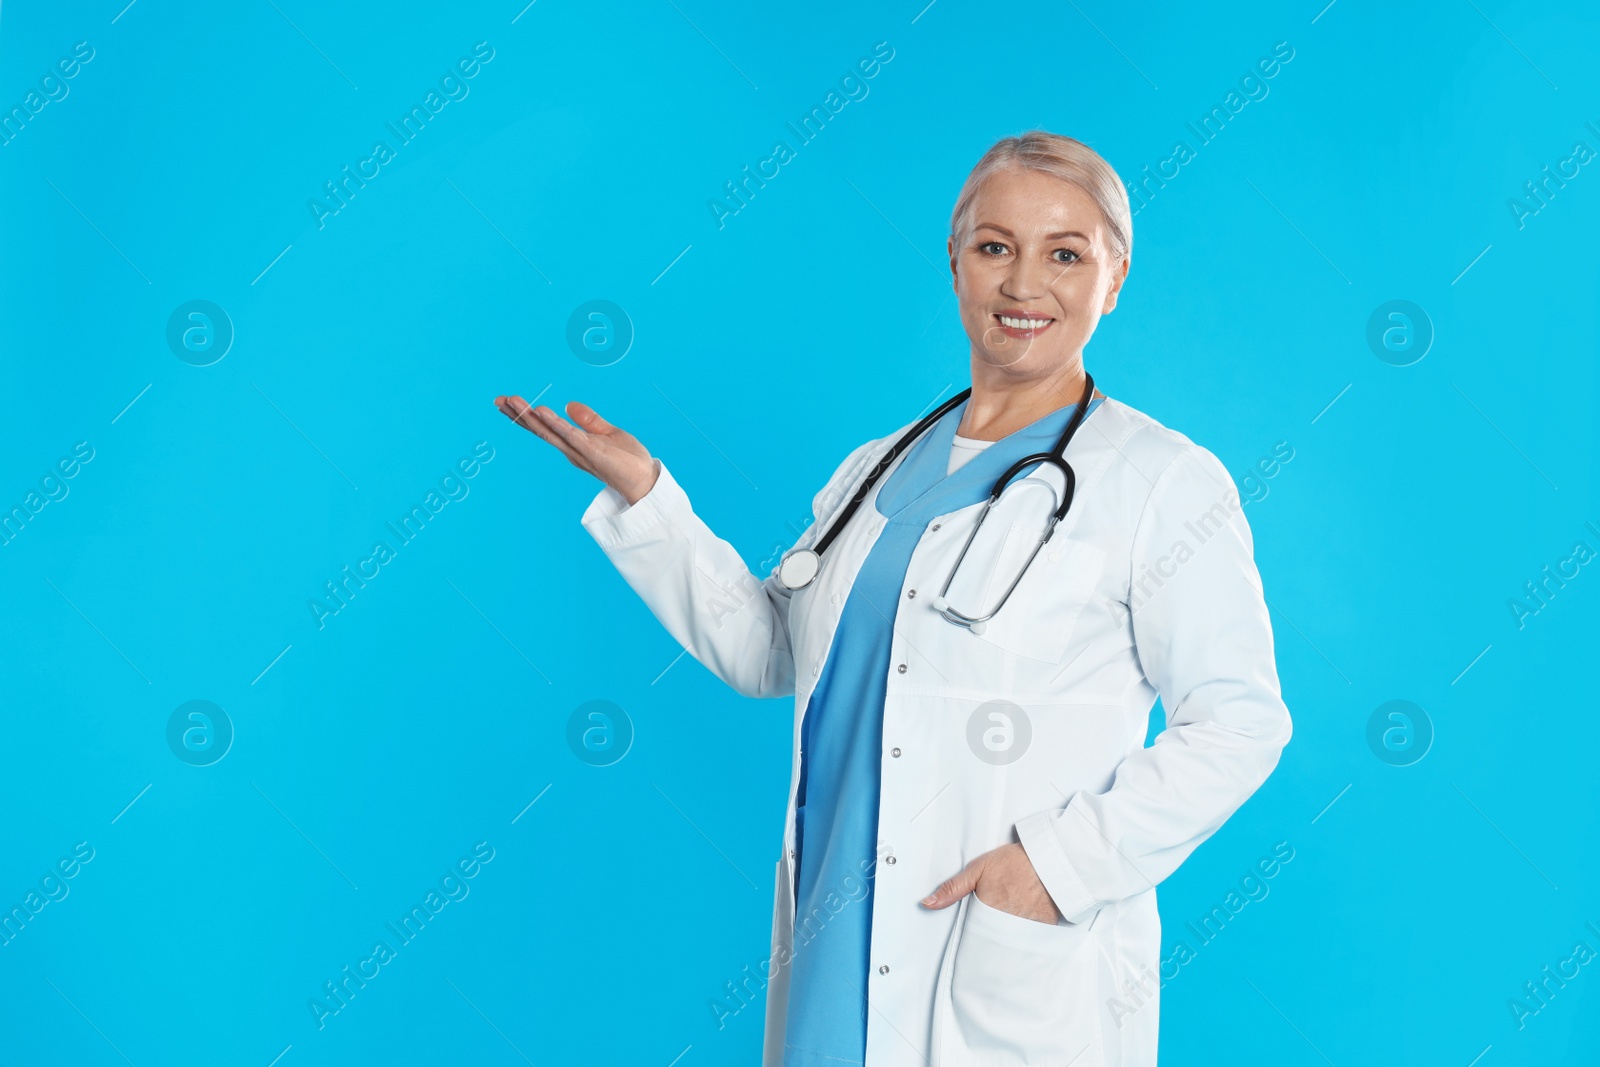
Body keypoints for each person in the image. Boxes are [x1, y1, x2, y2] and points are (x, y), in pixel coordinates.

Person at [493, 130, 1293, 1067]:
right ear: (954, 263)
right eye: (995, 246)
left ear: (1114, 278)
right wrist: (650, 500)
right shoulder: (878, 468)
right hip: (839, 947)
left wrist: (1054, 868)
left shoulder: (1160, 482)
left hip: (1000, 966)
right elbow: (771, 655)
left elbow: (1241, 723)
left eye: (1065, 253)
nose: (1024, 282)